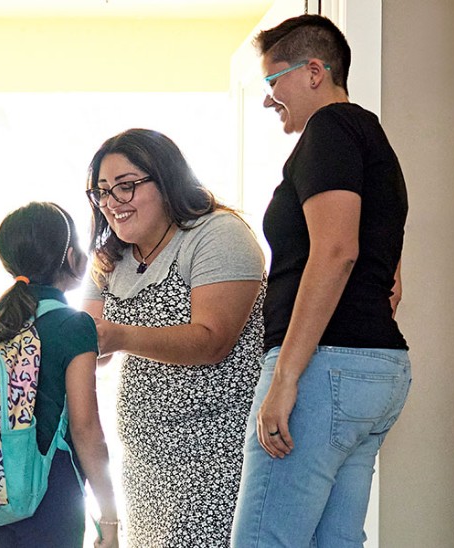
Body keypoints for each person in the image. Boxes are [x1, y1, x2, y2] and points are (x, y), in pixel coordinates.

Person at [230, 14, 412, 548]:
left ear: (314, 71)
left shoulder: (329, 131)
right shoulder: (374, 140)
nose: (268, 100)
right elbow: (392, 284)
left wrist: (287, 378)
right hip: (378, 368)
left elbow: (335, 252)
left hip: (322, 368)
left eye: (272, 81)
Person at [82, 129, 267, 547]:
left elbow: (211, 341)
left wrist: (120, 335)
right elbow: (92, 344)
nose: (112, 202)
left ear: (166, 179)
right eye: (102, 192)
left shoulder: (217, 234)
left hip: (216, 456)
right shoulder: (111, 258)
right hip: (145, 466)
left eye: (126, 186)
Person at [0, 202, 120, 548]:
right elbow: (86, 430)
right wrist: (110, 517)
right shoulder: (73, 325)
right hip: (52, 495)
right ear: (71, 257)